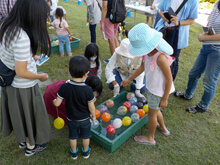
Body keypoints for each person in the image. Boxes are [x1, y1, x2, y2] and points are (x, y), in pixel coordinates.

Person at [0, 0, 51, 156]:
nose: (45, 22)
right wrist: (40, 76)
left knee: (19, 114)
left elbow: (14, 54)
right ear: (32, 16)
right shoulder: (22, 37)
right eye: (43, 18)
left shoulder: (8, 26)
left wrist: (31, 56)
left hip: (11, 84)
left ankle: (23, 140)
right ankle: (32, 145)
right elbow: (21, 71)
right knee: (30, 115)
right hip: (24, 85)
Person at [121, 23, 174, 145]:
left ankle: (150, 138)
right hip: (152, 88)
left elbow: (169, 79)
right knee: (155, 110)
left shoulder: (160, 58)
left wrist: (165, 98)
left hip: (158, 91)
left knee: (151, 114)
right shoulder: (147, 54)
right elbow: (141, 68)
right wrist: (129, 79)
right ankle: (163, 128)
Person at [174, 0, 220, 113]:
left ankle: (203, 106)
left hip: (217, 52)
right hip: (206, 48)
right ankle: (188, 94)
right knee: (193, 73)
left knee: (209, 80)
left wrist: (202, 37)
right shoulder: (217, 3)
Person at [53, 56, 96, 159]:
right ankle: (86, 152)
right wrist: (93, 116)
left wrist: (54, 101)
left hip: (71, 118)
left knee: (73, 136)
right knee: (86, 136)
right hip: (85, 119)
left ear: (69, 71)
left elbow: (57, 103)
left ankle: (74, 153)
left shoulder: (64, 87)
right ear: (87, 74)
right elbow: (91, 106)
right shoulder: (88, 90)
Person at [155, 0, 199, 80]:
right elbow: (160, 10)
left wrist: (179, 22)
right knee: (158, 55)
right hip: (164, 30)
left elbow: (192, 20)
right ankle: (157, 80)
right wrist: (163, 16)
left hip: (177, 34)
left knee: (173, 59)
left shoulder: (193, 1)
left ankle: (169, 84)